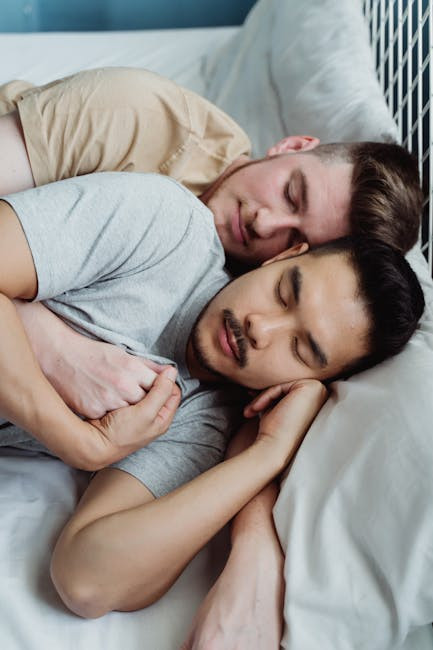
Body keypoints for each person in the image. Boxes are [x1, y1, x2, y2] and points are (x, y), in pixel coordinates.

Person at [0, 172, 424, 644]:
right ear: (282, 257)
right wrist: (80, 442)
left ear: (309, 382)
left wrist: (267, 454)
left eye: (300, 349)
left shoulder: (202, 422)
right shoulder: (166, 227)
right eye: (284, 292)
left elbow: (86, 579)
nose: (261, 328)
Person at [0, 67, 423, 266]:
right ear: (291, 146)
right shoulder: (137, 113)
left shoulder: (252, 293)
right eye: (291, 194)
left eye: (297, 240)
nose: (265, 224)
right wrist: (54, 344)